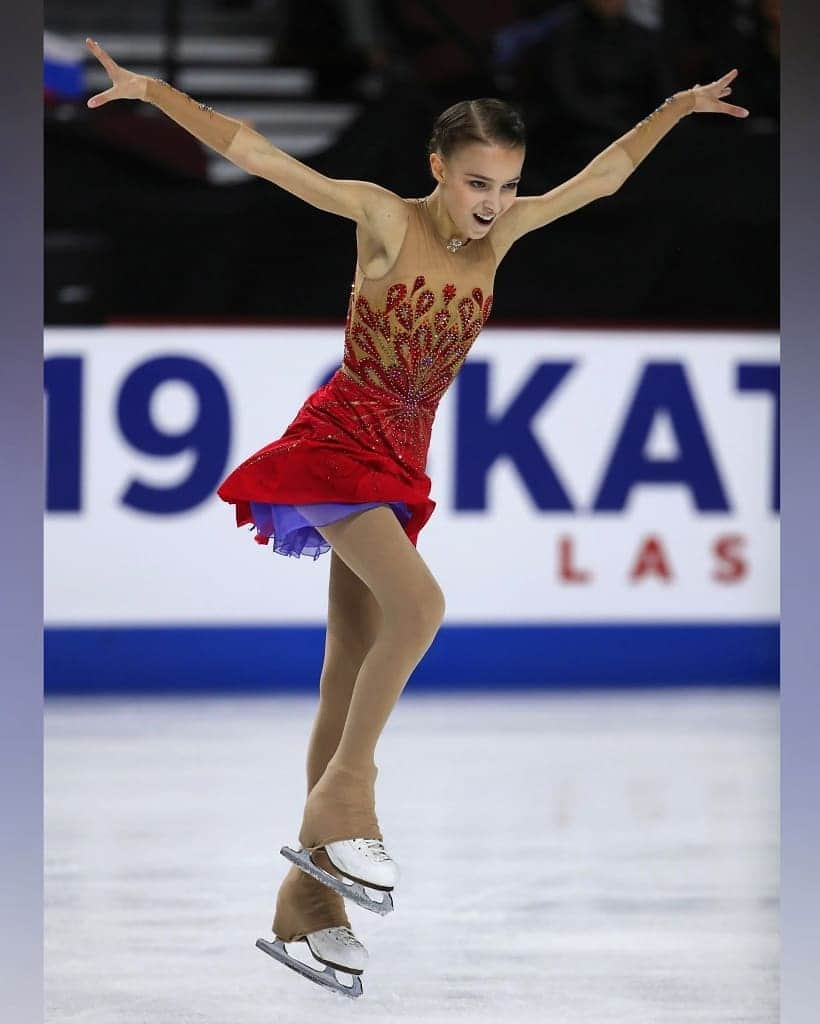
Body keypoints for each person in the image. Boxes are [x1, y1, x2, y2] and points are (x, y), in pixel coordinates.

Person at [84, 35, 749, 999]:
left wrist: (677, 110)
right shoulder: (384, 218)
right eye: (477, 182)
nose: (491, 204)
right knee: (422, 608)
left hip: (399, 462)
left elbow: (601, 182)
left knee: (347, 666)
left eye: (507, 186)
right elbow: (262, 156)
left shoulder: (508, 234)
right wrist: (153, 93)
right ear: (438, 168)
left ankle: (305, 907)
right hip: (337, 446)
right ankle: (350, 795)